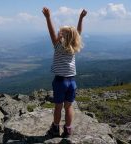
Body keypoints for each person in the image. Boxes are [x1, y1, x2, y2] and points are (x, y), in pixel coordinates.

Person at [42, 7, 87, 138]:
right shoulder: (74, 46)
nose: (58, 33)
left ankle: (55, 128)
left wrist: (48, 18)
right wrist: (80, 18)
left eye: (60, 33)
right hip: (72, 82)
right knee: (69, 107)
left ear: (63, 37)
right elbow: (77, 32)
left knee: (58, 107)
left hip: (60, 81)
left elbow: (51, 32)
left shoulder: (58, 47)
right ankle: (67, 129)